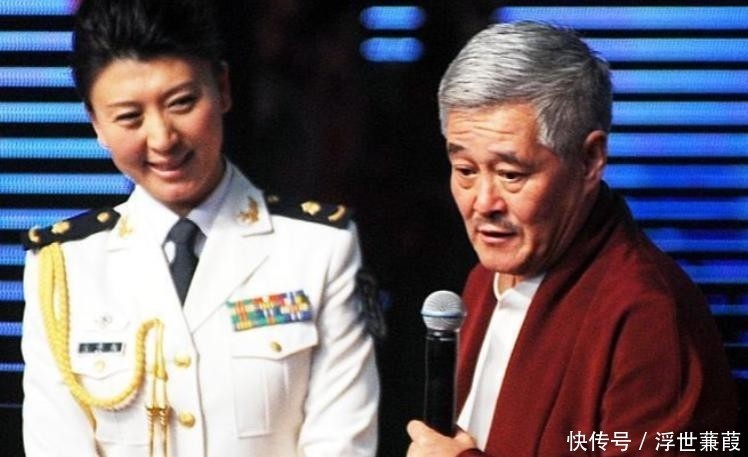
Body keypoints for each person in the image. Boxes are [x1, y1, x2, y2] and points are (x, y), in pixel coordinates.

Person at [20, 0, 379, 455]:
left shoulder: (318, 249)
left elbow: (342, 443)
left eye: (182, 103)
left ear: (223, 88)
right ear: (97, 124)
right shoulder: (64, 268)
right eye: (130, 117)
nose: (162, 139)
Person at [406, 21, 737, 456]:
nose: (483, 202)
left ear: (589, 160)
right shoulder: (484, 279)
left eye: (511, 174)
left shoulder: (647, 313)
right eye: (466, 171)